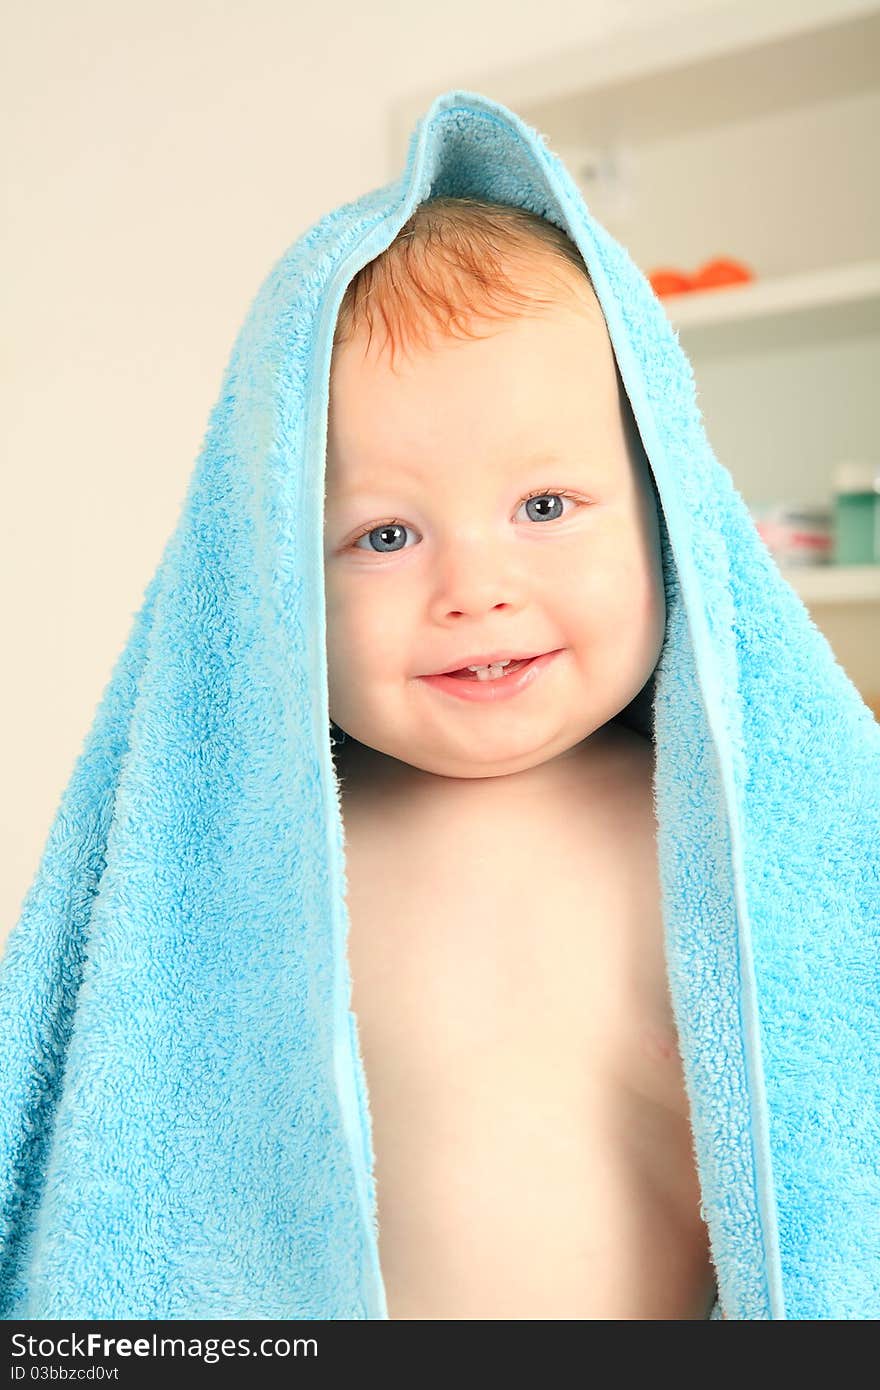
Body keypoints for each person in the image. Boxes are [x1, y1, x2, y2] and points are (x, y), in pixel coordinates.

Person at [322, 196, 720, 1319]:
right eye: (385, 535)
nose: (476, 590)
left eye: (543, 504)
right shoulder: (269, 852)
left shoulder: (729, 830)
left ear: (663, 509)